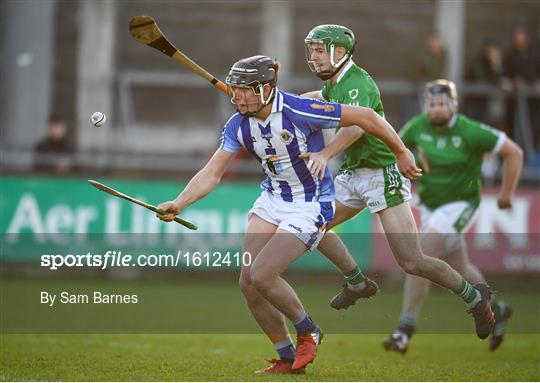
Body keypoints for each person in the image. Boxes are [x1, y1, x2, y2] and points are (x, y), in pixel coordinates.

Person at [155, 55, 420, 374]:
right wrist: (180, 203)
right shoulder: (238, 125)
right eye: (235, 89)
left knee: (263, 274)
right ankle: (285, 355)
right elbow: (212, 173)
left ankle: (308, 329)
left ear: (265, 89)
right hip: (272, 199)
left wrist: (401, 151)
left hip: (310, 203)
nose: (235, 96)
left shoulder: (298, 110)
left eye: (243, 90)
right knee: (248, 283)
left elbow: (366, 116)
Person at [301, 24, 495, 340]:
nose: (314, 56)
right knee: (309, 223)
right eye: (312, 50)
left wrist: (323, 154)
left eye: (320, 50)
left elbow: (357, 128)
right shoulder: (335, 84)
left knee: (412, 261)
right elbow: (317, 99)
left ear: (340, 51)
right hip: (353, 173)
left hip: (381, 174)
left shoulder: (358, 82)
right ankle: (356, 282)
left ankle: (475, 297)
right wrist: (279, 101)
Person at [383, 79, 523, 353]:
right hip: (431, 207)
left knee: (421, 254)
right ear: (426, 106)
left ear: (453, 105)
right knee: (459, 269)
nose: (437, 109)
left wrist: (506, 194)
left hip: (461, 205)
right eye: (432, 104)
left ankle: (404, 329)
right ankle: (497, 308)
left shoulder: (469, 130)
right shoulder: (417, 126)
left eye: (443, 104)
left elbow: (514, 153)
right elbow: (393, 150)